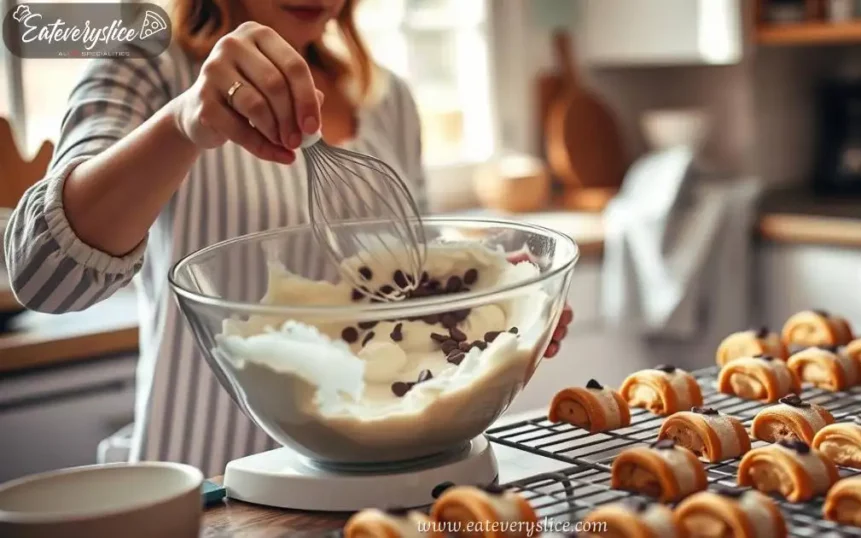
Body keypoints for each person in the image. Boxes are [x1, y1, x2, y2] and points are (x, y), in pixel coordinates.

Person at [3, 0, 572, 477]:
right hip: (209, 487)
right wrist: (181, 125)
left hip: (380, 492)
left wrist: (497, 300)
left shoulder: (384, 96)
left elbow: (410, 286)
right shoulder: (146, 64)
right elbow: (44, 274)